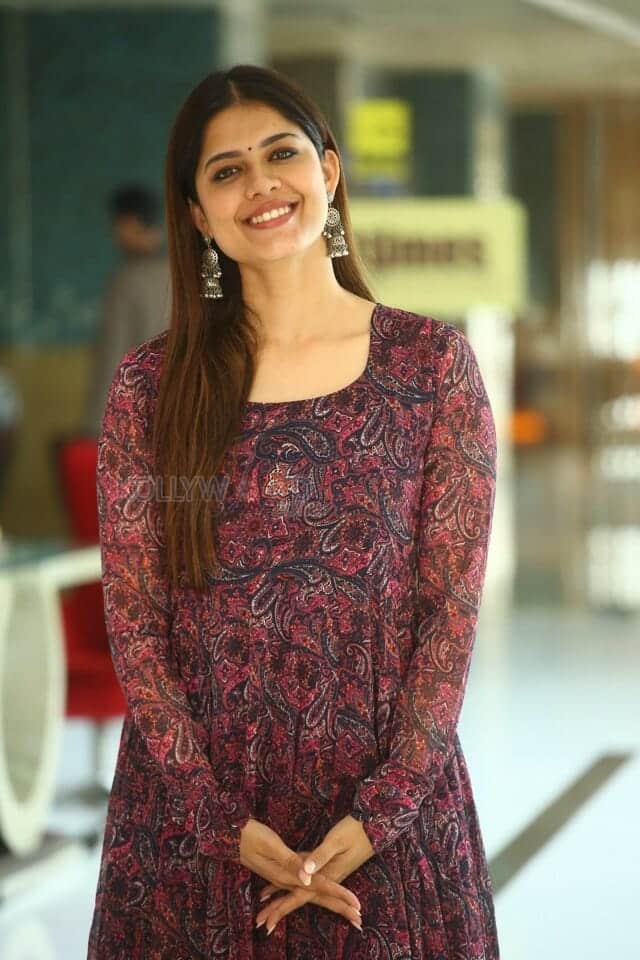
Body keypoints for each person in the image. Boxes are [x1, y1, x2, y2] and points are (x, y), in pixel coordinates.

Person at [87, 65, 500, 959]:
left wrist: (384, 812)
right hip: (190, 831)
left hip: (388, 826)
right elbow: (136, 622)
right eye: (226, 171)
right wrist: (216, 820)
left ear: (330, 170)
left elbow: (449, 617)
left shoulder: (431, 368)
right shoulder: (150, 388)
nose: (261, 185)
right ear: (198, 214)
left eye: (282, 154)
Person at [85, 183, 171, 434]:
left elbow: (113, 358)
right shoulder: (186, 272)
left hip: (133, 419)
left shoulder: (128, 280)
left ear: (130, 223)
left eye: (118, 226)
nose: (116, 235)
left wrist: (97, 425)